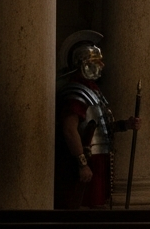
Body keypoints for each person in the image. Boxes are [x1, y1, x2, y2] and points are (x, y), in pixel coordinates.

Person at [55, 30, 140, 209]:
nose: (101, 65)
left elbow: (101, 127)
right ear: (84, 64)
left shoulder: (93, 91)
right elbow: (69, 130)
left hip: (99, 161)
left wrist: (126, 124)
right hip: (86, 161)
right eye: (96, 61)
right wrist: (82, 164)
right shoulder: (75, 92)